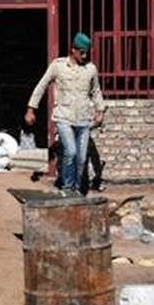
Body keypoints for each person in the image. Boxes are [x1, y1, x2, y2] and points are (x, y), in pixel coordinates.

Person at [24, 33, 106, 196]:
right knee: (71, 152)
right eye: (81, 52)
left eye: (86, 52)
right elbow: (42, 85)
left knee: (81, 158)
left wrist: (100, 110)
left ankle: (77, 189)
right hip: (64, 117)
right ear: (73, 50)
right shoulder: (58, 66)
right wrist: (31, 108)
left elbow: (96, 91)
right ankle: (68, 188)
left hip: (83, 118)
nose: (84, 56)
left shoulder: (91, 69)